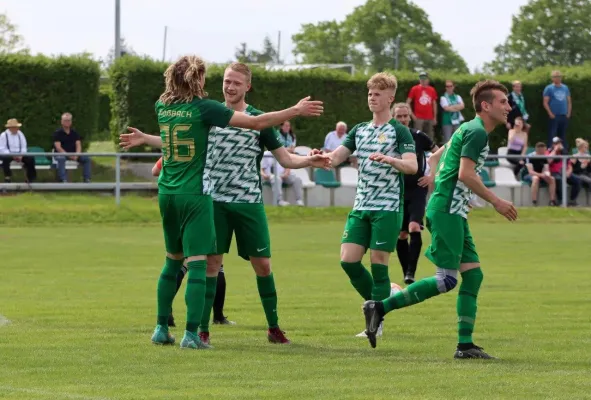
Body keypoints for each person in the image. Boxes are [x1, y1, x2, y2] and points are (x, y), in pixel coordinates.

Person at [119, 55, 324, 350]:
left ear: (247, 87)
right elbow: (186, 137)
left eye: (236, 83)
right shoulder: (209, 111)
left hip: (246, 200)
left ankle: (273, 326)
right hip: (209, 198)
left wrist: (310, 160)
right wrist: (296, 110)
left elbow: (284, 157)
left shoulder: (190, 109)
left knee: (261, 265)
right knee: (207, 264)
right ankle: (199, 331)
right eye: (226, 81)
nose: (229, 86)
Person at [361, 80, 518, 360]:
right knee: (446, 280)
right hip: (446, 211)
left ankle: (465, 345)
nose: (509, 106)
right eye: (503, 102)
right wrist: (497, 201)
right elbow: (466, 174)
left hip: (452, 210)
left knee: (473, 274)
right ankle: (380, 308)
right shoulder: (478, 133)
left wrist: (433, 171)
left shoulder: (469, 128)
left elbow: (435, 155)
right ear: (486, 105)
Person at [310, 72, 417, 339]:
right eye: (369, 93)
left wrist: (391, 160)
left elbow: (412, 166)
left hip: (387, 206)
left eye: (377, 94)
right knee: (348, 261)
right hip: (361, 206)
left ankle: (375, 322)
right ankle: (384, 299)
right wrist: (319, 157)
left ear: (390, 98)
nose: (372, 97)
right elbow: (335, 158)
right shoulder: (359, 130)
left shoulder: (399, 130)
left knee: (378, 261)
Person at [151, 158, 234, 328]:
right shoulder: (205, 144)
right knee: (206, 263)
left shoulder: (177, 144)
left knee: (179, 261)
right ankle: (207, 322)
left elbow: (155, 170)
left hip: (175, 198)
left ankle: (165, 317)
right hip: (204, 203)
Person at [391, 103, 438, 285]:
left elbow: (440, 154)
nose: (403, 119)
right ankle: (406, 273)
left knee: (413, 227)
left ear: (410, 117)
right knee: (401, 235)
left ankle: (411, 271)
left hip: (418, 188)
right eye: (399, 116)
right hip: (398, 190)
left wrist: (431, 176)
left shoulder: (419, 137)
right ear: (393, 117)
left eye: (405, 116)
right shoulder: (388, 138)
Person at [52, 113, 92, 183]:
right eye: (65, 120)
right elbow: (58, 148)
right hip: (61, 154)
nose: (67, 122)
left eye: (69, 120)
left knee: (86, 159)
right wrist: (69, 156)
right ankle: (63, 180)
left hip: (74, 154)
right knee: (61, 158)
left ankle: (87, 179)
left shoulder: (74, 133)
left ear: (71, 122)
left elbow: (78, 145)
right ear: (62, 121)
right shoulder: (57, 133)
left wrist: (77, 155)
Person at [0, 118, 36, 183]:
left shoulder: (20, 134)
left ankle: (30, 178)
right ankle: (7, 177)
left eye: (17, 127)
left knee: (30, 158)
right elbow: (2, 148)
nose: (16, 129)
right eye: (14, 127)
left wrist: (21, 155)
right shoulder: (3, 135)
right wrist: (12, 155)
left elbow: (24, 146)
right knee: (5, 159)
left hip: (19, 154)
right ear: (10, 128)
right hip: (8, 154)